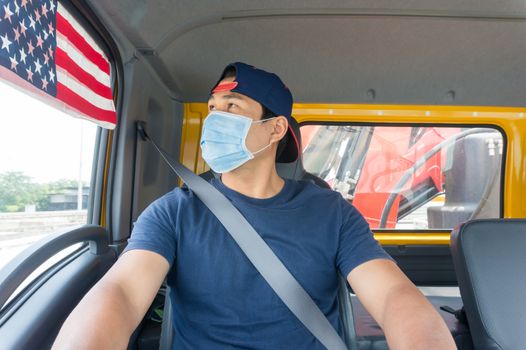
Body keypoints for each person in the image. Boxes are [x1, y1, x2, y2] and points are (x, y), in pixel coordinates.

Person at [53, 62, 456, 349]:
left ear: (276, 127)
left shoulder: (332, 213)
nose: (214, 120)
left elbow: (393, 296)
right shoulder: (173, 212)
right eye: (212, 108)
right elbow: (121, 292)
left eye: (232, 108)